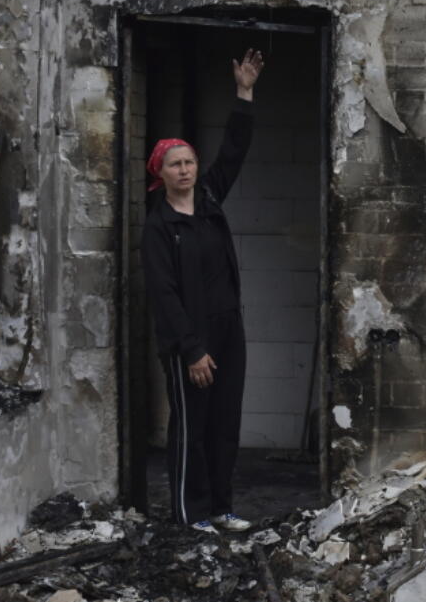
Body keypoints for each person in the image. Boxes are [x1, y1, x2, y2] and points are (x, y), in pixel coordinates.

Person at [141, 48, 264, 533]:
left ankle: (221, 507)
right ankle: (190, 514)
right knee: (192, 427)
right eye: (175, 164)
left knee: (224, 425)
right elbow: (163, 294)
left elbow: (233, 151)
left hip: (227, 329)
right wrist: (191, 350)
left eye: (190, 161)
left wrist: (244, 93)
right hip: (189, 340)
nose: (186, 170)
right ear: (161, 174)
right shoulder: (159, 227)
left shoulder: (210, 199)